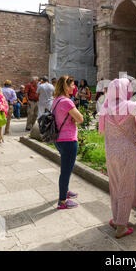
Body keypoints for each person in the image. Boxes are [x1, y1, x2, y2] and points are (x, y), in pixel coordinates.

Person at [98, 78, 136, 238]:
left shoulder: (106, 107)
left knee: (115, 187)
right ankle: (121, 226)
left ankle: (116, 219)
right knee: (127, 188)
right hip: (128, 153)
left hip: (111, 153)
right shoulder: (128, 106)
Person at [52, 75, 84, 210]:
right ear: (66, 86)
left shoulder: (56, 100)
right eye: (72, 85)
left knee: (66, 168)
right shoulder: (67, 102)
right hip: (68, 140)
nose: (74, 87)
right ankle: (63, 201)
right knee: (66, 171)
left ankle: (65, 191)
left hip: (59, 139)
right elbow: (80, 119)